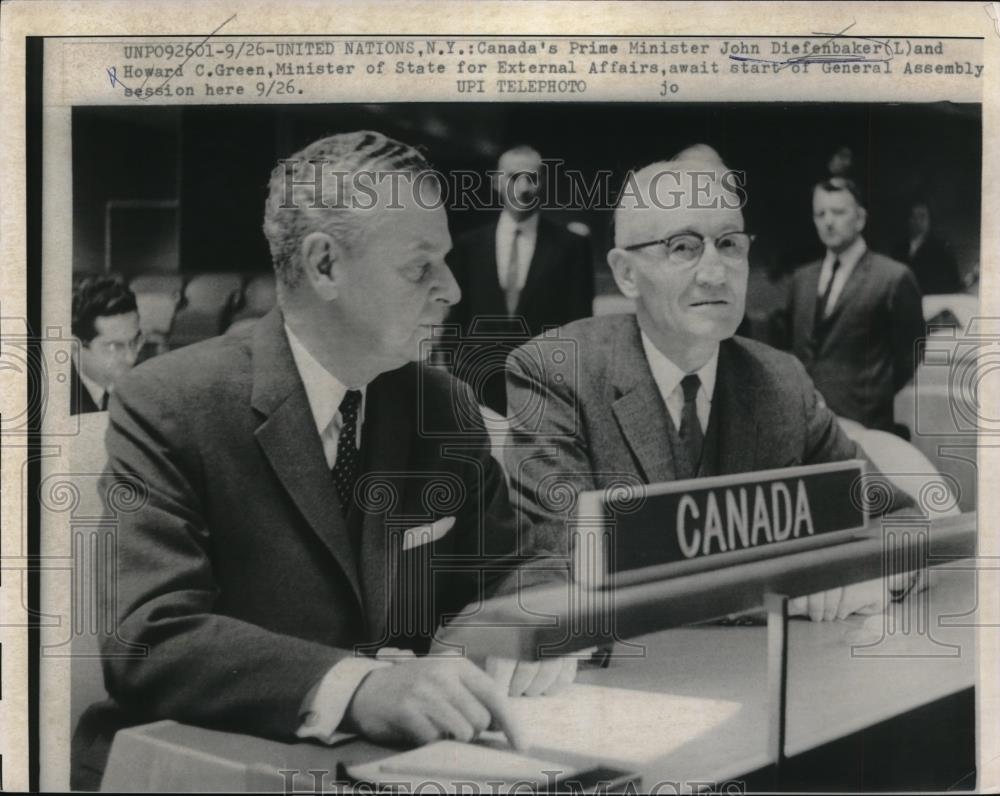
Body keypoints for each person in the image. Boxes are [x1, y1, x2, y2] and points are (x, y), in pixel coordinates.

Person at [72, 132, 575, 790]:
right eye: (419, 267)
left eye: (447, 262)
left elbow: (522, 565)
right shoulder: (170, 404)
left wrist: (527, 623)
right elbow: (149, 636)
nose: (451, 289)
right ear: (325, 266)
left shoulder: (441, 405)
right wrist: (359, 687)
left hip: (402, 768)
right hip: (207, 768)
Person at [506, 157, 909, 626]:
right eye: (683, 247)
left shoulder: (782, 380)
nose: (716, 273)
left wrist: (860, 571)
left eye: (730, 244)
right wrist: (787, 586)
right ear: (626, 274)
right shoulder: (558, 372)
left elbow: (899, 521)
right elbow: (564, 561)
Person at [446, 145, 593, 415]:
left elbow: (579, 324)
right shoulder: (469, 246)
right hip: (476, 385)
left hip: (546, 385)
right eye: (514, 177)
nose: (524, 188)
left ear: (543, 181)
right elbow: (454, 320)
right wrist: (456, 377)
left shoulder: (570, 247)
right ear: (497, 182)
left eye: (532, 178)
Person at [772, 177, 925, 433]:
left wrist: (873, 395)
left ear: (860, 218)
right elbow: (793, 347)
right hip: (807, 425)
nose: (828, 222)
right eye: (820, 214)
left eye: (838, 212)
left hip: (865, 424)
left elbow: (909, 355)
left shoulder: (892, 277)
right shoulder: (802, 279)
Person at [70, 275, 142, 415]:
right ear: (74, 348)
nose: (131, 358)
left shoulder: (145, 391)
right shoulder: (54, 405)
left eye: (134, 342)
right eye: (114, 346)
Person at [891, 199, 963, 296]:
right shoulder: (899, 248)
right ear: (908, 220)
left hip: (932, 301)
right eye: (914, 216)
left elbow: (953, 283)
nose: (918, 221)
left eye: (922, 216)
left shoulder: (941, 249)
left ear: (929, 220)